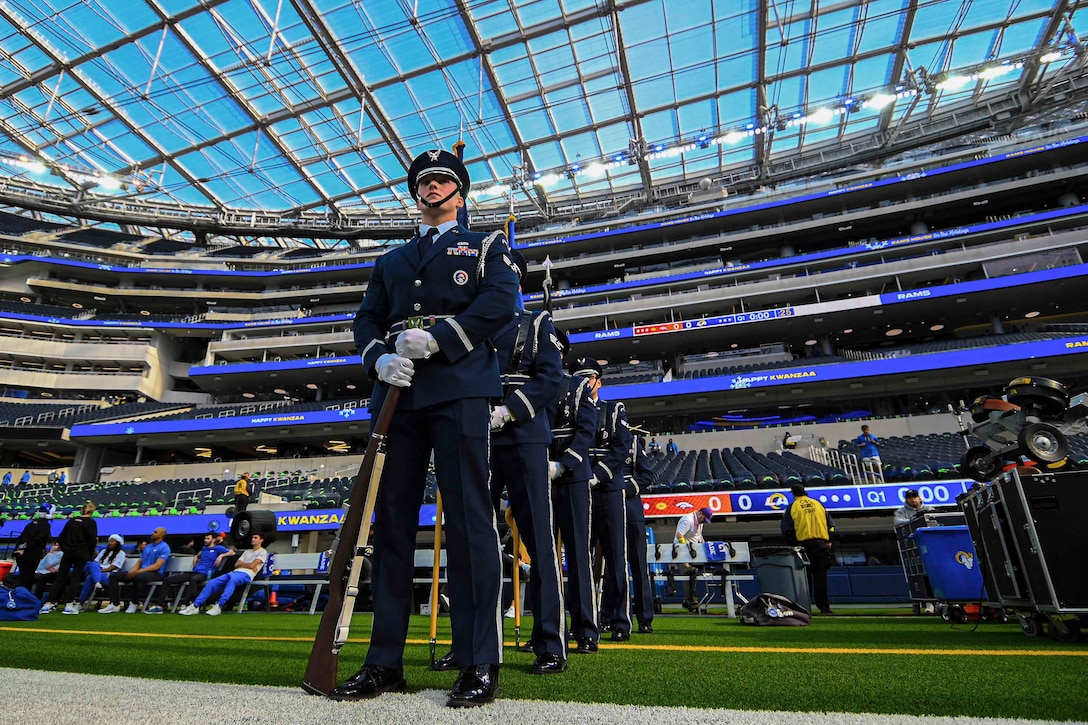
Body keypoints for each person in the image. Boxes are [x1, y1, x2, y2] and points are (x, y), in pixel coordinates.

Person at [330, 149, 519, 708]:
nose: (432, 186)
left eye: (442, 180)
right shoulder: (391, 259)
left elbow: (502, 302)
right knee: (389, 529)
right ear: (415, 192)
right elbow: (366, 317)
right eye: (424, 181)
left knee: (468, 523)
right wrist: (377, 359)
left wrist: (443, 337)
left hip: (459, 387)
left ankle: (478, 660)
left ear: (459, 192)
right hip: (398, 394)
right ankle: (383, 661)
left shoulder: (485, 245)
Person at [572, 356, 633, 642]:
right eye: (581, 378)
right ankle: (583, 622)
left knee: (615, 558)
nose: (586, 383)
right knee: (580, 559)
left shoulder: (613, 409)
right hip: (579, 488)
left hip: (607, 490)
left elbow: (621, 448)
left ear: (599, 381)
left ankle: (619, 620)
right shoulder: (568, 411)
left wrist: (597, 474)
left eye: (590, 378)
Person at [546, 333, 599, 655]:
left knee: (578, 556)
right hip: (540, 478)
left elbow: (586, 430)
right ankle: (548, 631)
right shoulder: (535, 387)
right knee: (543, 558)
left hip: (572, 477)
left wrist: (563, 464)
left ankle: (585, 631)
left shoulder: (577, 388)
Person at [617, 431, 655, 633]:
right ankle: (611, 616)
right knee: (612, 567)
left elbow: (647, 474)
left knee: (639, 566)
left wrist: (624, 489)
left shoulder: (631, 441)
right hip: (606, 507)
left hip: (631, 509)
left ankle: (645, 618)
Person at [179, 532, 268, 616]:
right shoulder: (247, 552)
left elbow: (253, 565)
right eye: (252, 537)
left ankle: (219, 605)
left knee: (232, 580)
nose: (253, 539)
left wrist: (247, 565)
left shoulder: (262, 552)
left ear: (261, 540)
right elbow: (236, 564)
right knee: (212, 582)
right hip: (235, 572)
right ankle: (195, 606)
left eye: (255, 538)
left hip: (246, 575)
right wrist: (249, 565)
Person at [781, 483, 835, 615]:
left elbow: (787, 529)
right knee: (820, 577)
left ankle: (804, 607)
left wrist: (792, 545)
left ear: (793, 494)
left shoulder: (792, 507)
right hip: (821, 545)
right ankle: (824, 607)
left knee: (804, 578)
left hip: (803, 547)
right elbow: (831, 526)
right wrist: (829, 540)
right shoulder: (818, 504)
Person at [39, 501, 97, 614]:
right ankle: (69, 604)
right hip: (81, 553)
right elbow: (92, 541)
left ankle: (48, 603)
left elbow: (61, 537)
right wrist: (90, 555)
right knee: (75, 578)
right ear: (91, 512)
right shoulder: (91, 523)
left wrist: (65, 548)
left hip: (68, 553)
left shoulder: (72, 521)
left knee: (60, 578)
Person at [153, 532, 233, 613]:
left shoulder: (218, 548)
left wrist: (221, 556)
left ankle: (190, 604)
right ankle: (160, 606)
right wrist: (196, 556)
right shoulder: (204, 548)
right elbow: (200, 553)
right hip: (194, 572)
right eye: (205, 538)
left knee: (194, 580)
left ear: (213, 539)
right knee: (167, 580)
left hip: (205, 574)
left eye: (208, 538)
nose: (205, 540)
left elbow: (232, 552)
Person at [100, 526, 170, 614]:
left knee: (138, 577)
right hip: (141, 571)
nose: (153, 533)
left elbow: (157, 565)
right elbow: (140, 561)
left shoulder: (164, 547)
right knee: (114, 576)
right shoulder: (148, 546)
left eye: (155, 532)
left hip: (155, 573)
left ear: (161, 535)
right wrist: (132, 571)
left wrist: (138, 572)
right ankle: (114, 604)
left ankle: (134, 603)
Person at [68, 533, 127, 613]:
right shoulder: (104, 551)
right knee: (91, 564)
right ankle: (97, 583)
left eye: (112, 541)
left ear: (118, 543)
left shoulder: (121, 553)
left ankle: (80, 603)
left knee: (90, 577)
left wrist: (99, 571)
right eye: (109, 541)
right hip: (97, 571)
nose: (110, 543)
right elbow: (95, 563)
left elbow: (114, 567)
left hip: (109, 574)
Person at [2, 502, 52, 591]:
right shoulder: (45, 525)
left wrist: (19, 549)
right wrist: (26, 550)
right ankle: (20, 597)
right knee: (25, 579)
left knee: (25, 577)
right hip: (32, 554)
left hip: (22, 554)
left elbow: (21, 538)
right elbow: (37, 540)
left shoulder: (31, 524)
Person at [673, 506, 714, 611]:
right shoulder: (688, 520)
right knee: (689, 572)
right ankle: (692, 602)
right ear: (700, 513)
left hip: (693, 554)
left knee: (693, 574)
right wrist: (686, 549)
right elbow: (679, 535)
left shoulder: (700, 523)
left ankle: (689, 601)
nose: (704, 522)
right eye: (704, 519)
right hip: (681, 554)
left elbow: (699, 536)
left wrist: (705, 547)